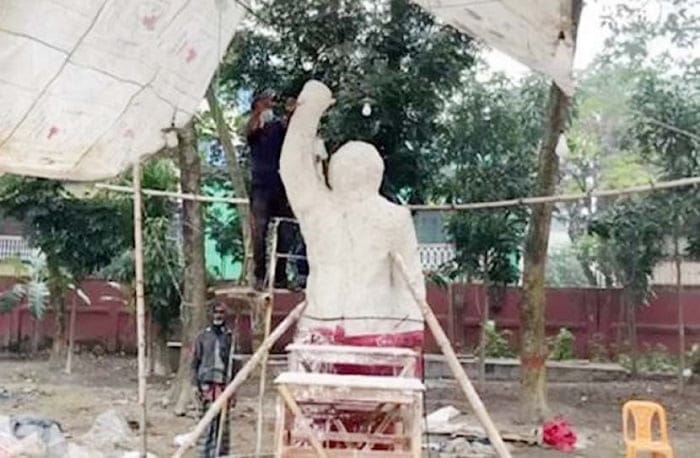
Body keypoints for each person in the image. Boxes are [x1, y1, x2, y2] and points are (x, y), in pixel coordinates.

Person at [279, 80, 426, 361]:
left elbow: (293, 167)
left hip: (329, 331)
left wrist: (310, 107)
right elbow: (411, 283)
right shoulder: (390, 216)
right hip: (368, 334)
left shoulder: (320, 209)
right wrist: (410, 331)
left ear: (333, 172)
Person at [246, 90, 307, 290]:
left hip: (281, 186)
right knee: (259, 232)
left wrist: (291, 112)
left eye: (270, 102)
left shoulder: (276, 128)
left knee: (287, 231)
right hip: (260, 187)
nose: (270, 105)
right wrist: (259, 113)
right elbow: (251, 129)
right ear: (256, 105)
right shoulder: (254, 128)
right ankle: (259, 276)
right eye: (265, 102)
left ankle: (280, 276)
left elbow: (289, 128)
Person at [191, 302, 238, 458]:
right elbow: (195, 362)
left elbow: (235, 365)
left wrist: (234, 389)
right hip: (206, 385)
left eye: (221, 312)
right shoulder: (203, 337)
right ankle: (205, 454)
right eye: (216, 312)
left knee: (223, 422)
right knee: (206, 421)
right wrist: (195, 385)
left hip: (224, 385)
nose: (218, 315)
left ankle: (221, 454)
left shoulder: (230, 337)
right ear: (211, 314)